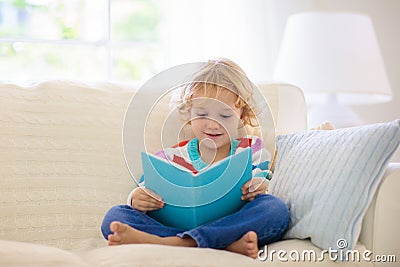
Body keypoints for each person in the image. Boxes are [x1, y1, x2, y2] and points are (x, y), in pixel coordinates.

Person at [101, 58, 290, 259]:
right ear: (189, 113)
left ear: (242, 116)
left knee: (275, 209)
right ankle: (221, 244)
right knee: (115, 217)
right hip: (196, 228)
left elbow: (263, 181)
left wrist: (258, 186)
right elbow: (147, 188)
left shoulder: (251, 149)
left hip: (230, 223)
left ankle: (173, 243)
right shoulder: (171, 157)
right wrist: (137, 198)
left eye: (225, 116)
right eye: (202, 114)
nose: (213, 125)